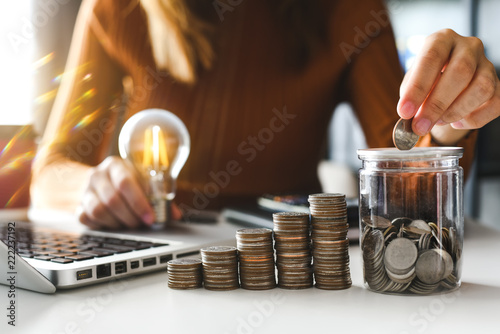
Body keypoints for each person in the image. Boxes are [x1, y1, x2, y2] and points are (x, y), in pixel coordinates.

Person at [31, 0, 500, 230]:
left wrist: (442, 121)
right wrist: (90, 186)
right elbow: (49, 170)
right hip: (147, 240)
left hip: (292, 254)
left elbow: (410, 186)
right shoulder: (116, 8)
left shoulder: (350, 11)